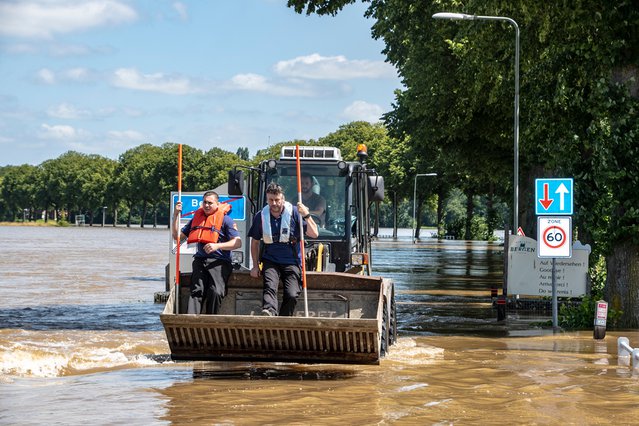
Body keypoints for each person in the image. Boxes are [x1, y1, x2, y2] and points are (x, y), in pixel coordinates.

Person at [248, 182, 319, 316]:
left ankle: (284, 319)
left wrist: (306, 215)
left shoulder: (294, 214)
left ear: (283, 199)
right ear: (267, 199)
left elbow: (314, 233)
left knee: (292, 294)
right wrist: (255, 266)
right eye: (271, 200)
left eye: (277, 200)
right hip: (270, 260)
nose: (274, 203)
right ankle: (269, 312)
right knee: (270, 286)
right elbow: (255, 242)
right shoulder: (261, 216)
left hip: (291, 261)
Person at [172, 191, 241, 314]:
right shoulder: (196, 219)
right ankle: (190, 323)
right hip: (200, 260)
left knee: (216, 292)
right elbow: (177, 237)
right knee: (196, 292)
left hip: (220, 262)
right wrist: (176, 214)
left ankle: (210, 320)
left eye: (210, 203)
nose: (207, 205)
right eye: (205, 202)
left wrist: (217, 246)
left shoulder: (226, 220)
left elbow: (237, 243)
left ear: (217, 204)